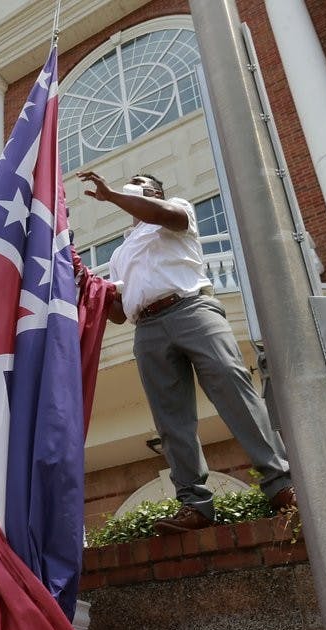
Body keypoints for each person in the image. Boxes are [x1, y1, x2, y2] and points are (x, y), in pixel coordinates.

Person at [76, 170, 296, 533]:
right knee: (170, 419)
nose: (131, 186)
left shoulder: (176, 208)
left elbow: (167, 217)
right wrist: (87, 285)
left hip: (191, 310)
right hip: (146, 328)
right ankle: (194, 504)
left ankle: (280, 483)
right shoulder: (120, 252)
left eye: (140, 184)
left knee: (231, 384)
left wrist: (114, 194)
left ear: (157, 192)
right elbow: (117, 314)